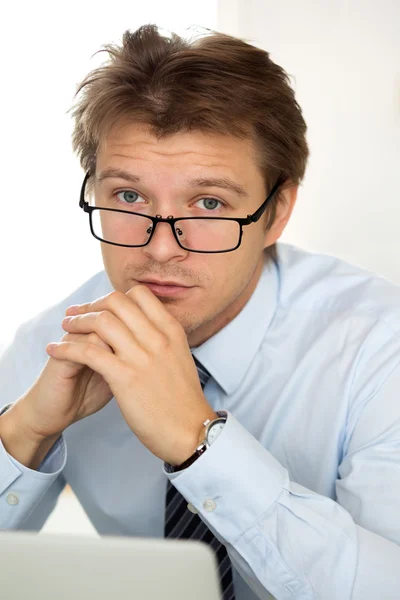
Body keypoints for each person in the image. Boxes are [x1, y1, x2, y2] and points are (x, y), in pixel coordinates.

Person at [0, 23, 399, 600]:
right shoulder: (53, 340)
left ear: (276, 212)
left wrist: (198, 442)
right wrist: (23, 433)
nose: (160, 248)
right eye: (129, 197)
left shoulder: (379, 346)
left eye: (209, 203)